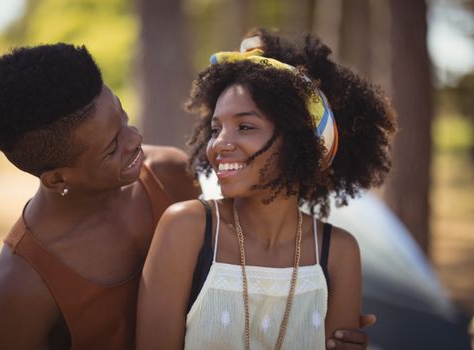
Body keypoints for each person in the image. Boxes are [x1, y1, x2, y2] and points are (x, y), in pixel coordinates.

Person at [0, 42, 376, 349]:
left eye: (124, 117)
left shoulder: (166, 174)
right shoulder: (19, 292)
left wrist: (315, 317)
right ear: (56, 177)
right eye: (113, 146)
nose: (138, 140)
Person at [137, 28, 396, 350]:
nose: (219, 144)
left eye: (245, 126)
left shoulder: (338, 252)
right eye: (216, 129)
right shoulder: (187, 228)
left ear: (300, 142)